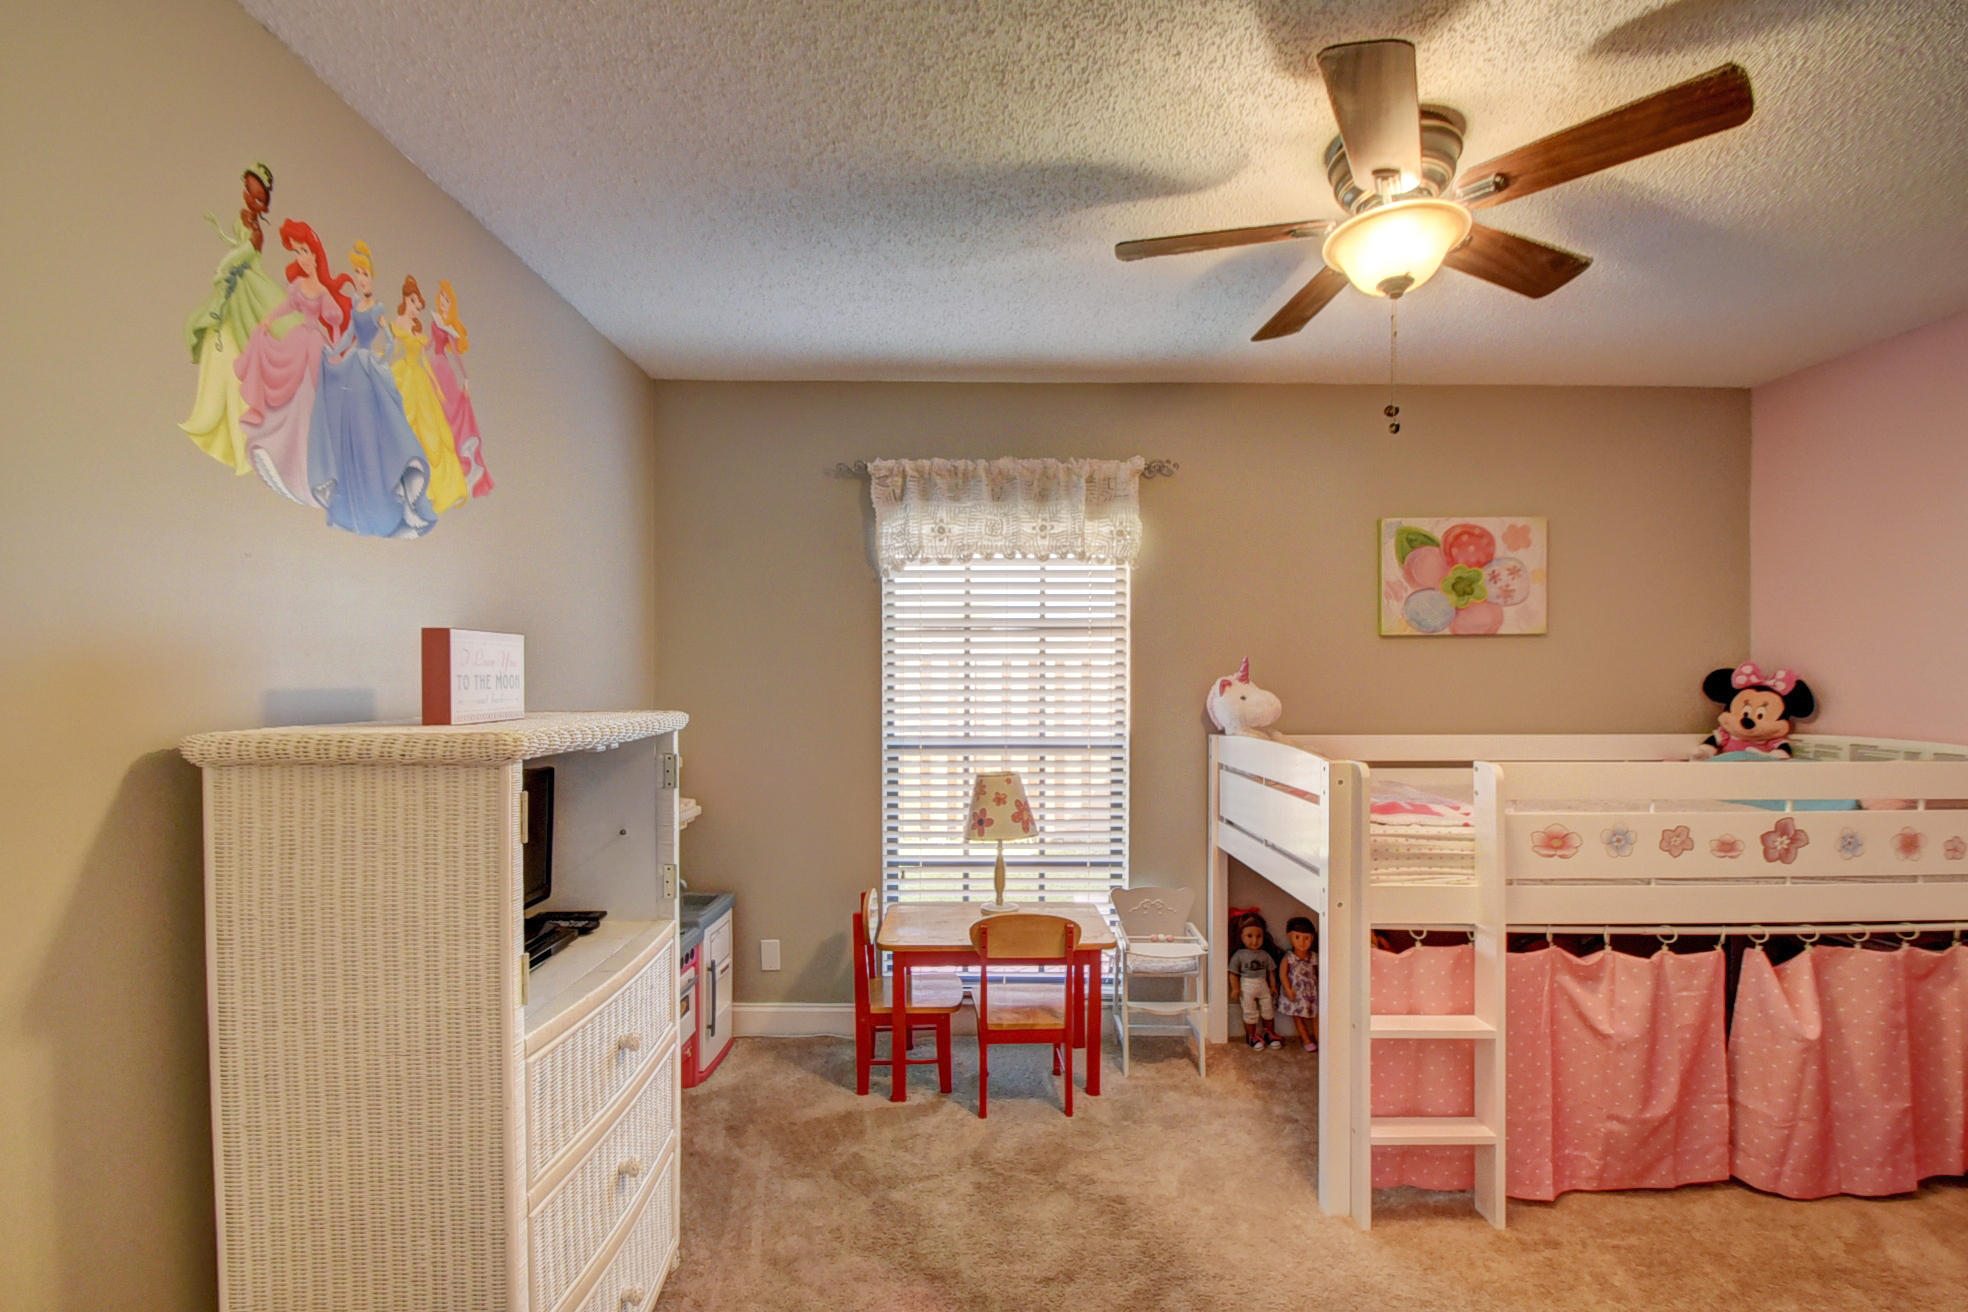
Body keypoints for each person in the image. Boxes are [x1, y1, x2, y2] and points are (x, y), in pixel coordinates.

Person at [1227, 914, 1283, 1049]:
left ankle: (1269, 1033)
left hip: (1263, 985)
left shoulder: (1265, 954)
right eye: (1249, 936)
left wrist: (1273, 986)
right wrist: (1235, 988)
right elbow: (1233, 973)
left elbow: (1271, 971)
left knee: (1268, 1010)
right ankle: (1251, 1036)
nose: (1255, 941)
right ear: (1241, 936)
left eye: (1259, 936)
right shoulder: (1239, 955)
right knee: (1249, 1012)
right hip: (1246, 986)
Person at [1276, 915, 1319, 1051]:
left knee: (1316, 1016)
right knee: (1298, 1016)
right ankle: (1306, 1040)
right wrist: (1288, 989)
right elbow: (1283, 974)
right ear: (1290, 936)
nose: (1302, 942)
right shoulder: (1289, 957)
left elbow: (1316, 973)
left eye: (1307, 938)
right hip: (1295, 992)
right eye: (1297, 937)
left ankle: (1320, 1038)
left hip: (1311, 993)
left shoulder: (1313, 957)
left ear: (1312, 938)